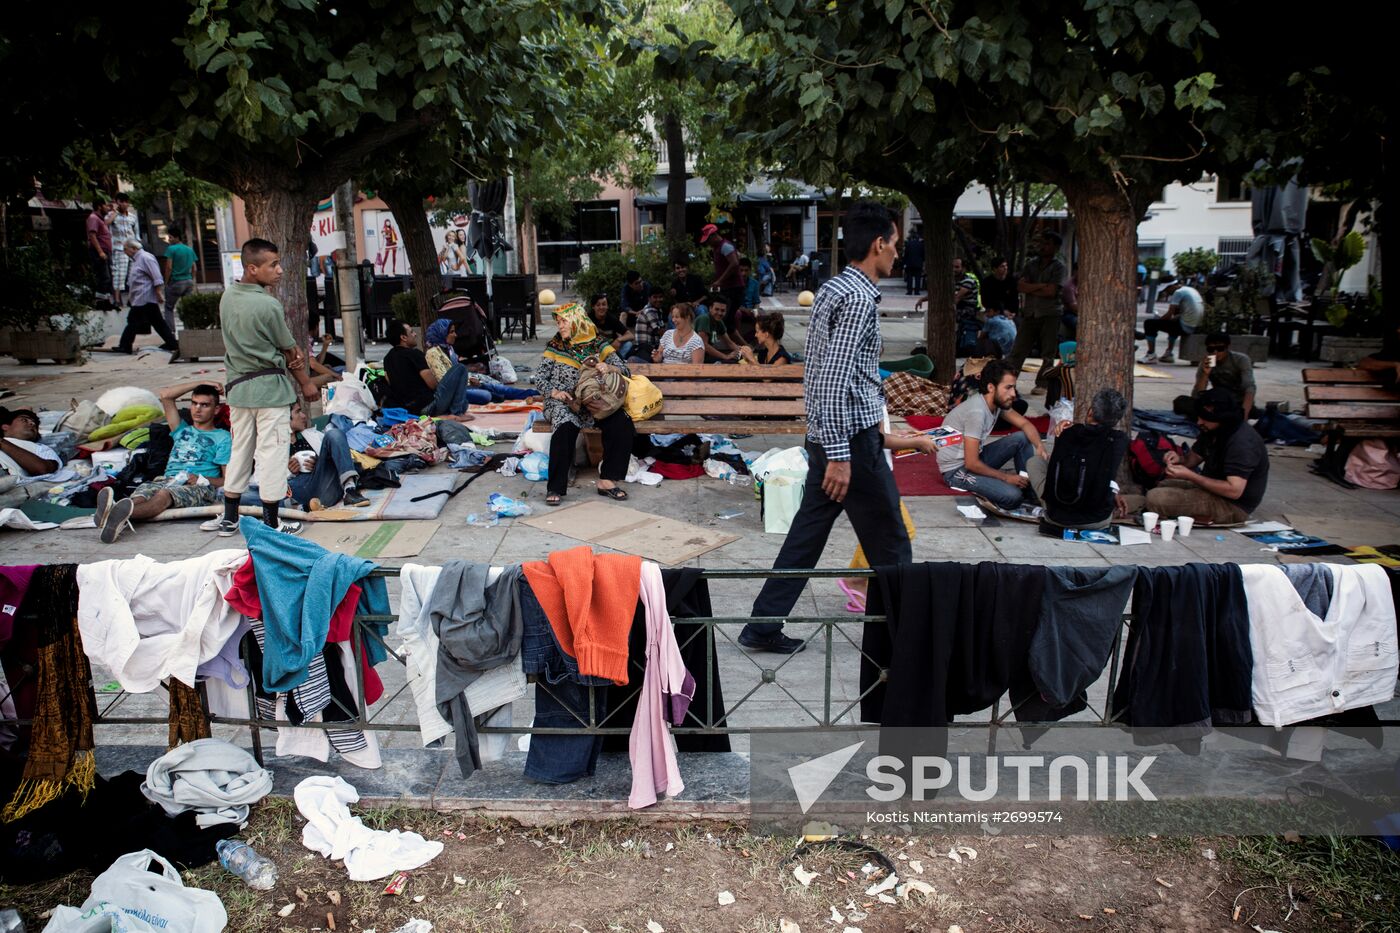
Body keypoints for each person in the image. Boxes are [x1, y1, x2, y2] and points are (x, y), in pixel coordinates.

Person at [742, 201, 910, 654]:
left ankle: (762, 625)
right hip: (850, 444)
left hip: (829, 437)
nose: (898, 252)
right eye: (895, 243)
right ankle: (910, 636)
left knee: (807, 535)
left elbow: (820, 374)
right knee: (892, 543)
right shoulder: (856, 298)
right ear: (879, 245)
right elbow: (833, 377)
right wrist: (839, 454)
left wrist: (824, 441)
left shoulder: (834, 288)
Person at [210, 238, 316, 537]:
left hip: (239, 391)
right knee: (272, 453)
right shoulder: (268, 305)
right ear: (253, 268)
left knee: (240, 450)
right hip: (269, 391)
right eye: (273, 265)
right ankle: (272, 522)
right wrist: (306, 383)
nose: (279, 270)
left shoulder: (228, 297)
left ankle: (230, 517)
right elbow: (290, 351)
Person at [97, 382, 231, 543]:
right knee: (140, 496)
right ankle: (116, 516)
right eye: (194, 403)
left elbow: (228, 480)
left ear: (216, 409)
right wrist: (202, 382)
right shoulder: (181, 429)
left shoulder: (222, 437)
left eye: (205, 405)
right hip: (167, 479)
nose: (197, 409)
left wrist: (202, 479)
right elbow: (166, 396)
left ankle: (110, 514)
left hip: (199, 487)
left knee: (164, 495)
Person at [1122, 387, 1269, 525]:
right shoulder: (1213, 430)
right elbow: (1192, 459)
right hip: (1212, 489)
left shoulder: (1242, 442)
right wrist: (1179, 459)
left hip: (1233, 505)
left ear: (1221, 418)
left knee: (1157, 498)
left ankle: (1150, 507)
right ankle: (1144, 504)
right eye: (1199, 417)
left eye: (1205, 419)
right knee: (1162, 484)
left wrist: (1191, 476)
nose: (1199, 422)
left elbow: (1234, 491)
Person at [536, 302, 635, 507]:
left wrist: (607, 366)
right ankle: (555, 487)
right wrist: (553, 392)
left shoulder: (599, 344)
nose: (560, 326)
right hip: (564, 403)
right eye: (558, 322)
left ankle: (607, 480)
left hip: (594, 403)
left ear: (577, 321)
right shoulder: (555, 345)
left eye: (564, 321)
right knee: (565, 427)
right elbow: (540, 378)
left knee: (622, 424)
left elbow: (625, 370)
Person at [936, 360, 1049, 511]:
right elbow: (971, 463)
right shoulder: (977, 412)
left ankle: (1033, 492)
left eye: (1013, 387)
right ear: (991, 387)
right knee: (1013, 496)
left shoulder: (996, 402)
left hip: (974, 460)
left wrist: (1039, 446)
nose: (1013, 394)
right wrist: (1006, 477)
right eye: (1008, 388)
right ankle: (1019, 491)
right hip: (956, 471)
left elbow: (1025, 424)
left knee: (1022, 438)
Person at [1029, 387, 1130, 532]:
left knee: (1034, 462)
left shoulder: (1065, 432)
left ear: (1090, 412)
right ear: (1115, 421)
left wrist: (1066, 426)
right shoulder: (1119, 440)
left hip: (1056, 517)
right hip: (1096, 521)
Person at [423, 318, 538, 403]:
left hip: (467, 384)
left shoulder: (449, 349)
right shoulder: (433, 353)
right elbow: (445, 380)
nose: (456, 335)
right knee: (485, 396)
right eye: (452, 332)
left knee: (499, 387)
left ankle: (535, 394)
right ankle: (499, 396)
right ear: (442, 334)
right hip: (455, 392)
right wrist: (467, 382)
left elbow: (457, 371)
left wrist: (470, 378)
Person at [382, 320, 477, 420]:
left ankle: (450, 411)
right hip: (428, 407)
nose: (415, 334)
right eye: (411, 332)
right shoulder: (414, 354)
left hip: (409, 409)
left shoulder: (387, 358)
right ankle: (457, 414)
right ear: (403, 337)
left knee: (465, 402)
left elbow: (389, 381)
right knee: (460, 369)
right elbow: (432, 384)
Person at [1010, 232, 1068, 395]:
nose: (1043, 247)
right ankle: (1010, 381)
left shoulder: (1059, 267)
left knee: (1048, 352)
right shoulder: (1031, 265)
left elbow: (1052, 291)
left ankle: (1042, 383)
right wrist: (1041, 286)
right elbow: (1021, 287)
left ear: (1056, 247)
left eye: (1047, 244)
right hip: (1030, 313)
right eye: (1042, 243)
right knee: (1018, 349)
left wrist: (1032, 287)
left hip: (1050, 313)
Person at [285, 402, 369, 510]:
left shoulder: (311, 435)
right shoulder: (271, 446)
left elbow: (340, 459)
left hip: (325, 488)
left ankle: (350, 490)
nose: (303, 416)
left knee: (334, 434)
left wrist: (318, 463)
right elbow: (260, 481)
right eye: (298, 412)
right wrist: (290, 471)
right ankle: (304, 507)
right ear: (285, 417)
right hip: (297, 491)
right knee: (259, 495)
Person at [115, 239, 180, 354]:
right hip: (141, 297)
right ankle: (172, 343)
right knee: (157, 322)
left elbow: (156, 276)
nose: (125, 252)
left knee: (133, 321)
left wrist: (159, 293)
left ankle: (125, 345)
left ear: (133, 248)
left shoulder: (146, 258)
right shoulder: (137, 260)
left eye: (126, 249)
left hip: (144, 297)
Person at [1173, 332, 1255, 418]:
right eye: (1211, 349)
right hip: (1218, 401)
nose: (1215, 352)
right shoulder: (1207, 362)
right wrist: (1205, 374)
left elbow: (1249, 387)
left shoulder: (1240, 360)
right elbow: (1198, 394)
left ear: (1227, 347)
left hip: (1237, 402)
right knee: (1181, 402)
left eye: (1220, 348)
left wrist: (1244, 415)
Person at [1142, 282, 1205, 363]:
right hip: (1194, 325)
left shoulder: (1178, 293)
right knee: (1173, 322)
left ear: (1172, 286)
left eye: (1167, 290)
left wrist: (1159, 320)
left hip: (1185, 326)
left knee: (1149, 323)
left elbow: (1169, 314)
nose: (1167, 293)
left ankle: (1151, 354)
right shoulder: (1190, 289)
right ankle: (1168, 353)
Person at [0, 408, 61, 478]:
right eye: (24, 420)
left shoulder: (40, 448)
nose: (32, 423)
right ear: (5, 427)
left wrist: (2, 443)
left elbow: (43, 469)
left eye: (35, 424)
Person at [161, 225, 198, 333]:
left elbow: (168, 267)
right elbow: (194, 268)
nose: (169, 239)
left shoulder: (171, 249)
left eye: (171, 237)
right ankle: (189, 330)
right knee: (187, 308)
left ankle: (171, 332)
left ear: (177, 237)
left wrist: (166, 282)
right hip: (188, 281)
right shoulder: (189, 249)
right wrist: (192, 280)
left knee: (168, 308)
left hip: (176, 282)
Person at [701, 223, 744, 313]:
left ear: (714, 236)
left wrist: (720, 280)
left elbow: (735, 263)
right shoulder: (716, 248)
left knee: (728, 314)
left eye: (708, 240)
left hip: (733, 287)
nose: (708, 243)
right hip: (727, 287)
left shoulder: (725, 246)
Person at [695, 293, 747, 362]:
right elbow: (705, 345)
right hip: (696, 356)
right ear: (710, 308)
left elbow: (729, 343)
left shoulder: (719, 322)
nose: (719, 313)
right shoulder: (704, 319)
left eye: (722, 310)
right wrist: (725, 356)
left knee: (740, 358)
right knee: (730, 362)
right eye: (717, 309)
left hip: (706, 355)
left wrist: (742, 353)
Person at [109, 194, 139, 306]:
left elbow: (136, 233)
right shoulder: (112, 216)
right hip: (119, 249)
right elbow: (106, 223)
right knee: (119, 274)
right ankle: (117, 299)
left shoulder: (132, 217)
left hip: (132, 249)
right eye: (122, 202)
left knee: (132, 274)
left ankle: (131, 299)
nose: (125, 204)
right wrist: (115, 212)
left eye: (126, 202)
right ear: (117, 202)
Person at [85, 197, 114, 302]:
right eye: (105, 205)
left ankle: (105, 300)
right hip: (99, 252)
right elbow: (92, 235)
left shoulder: (100, 219)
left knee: (107, 277)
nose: (107, 208)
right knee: (103, 277)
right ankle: (100, 301)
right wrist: (100, 252)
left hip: (105, 252)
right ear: (99, 206)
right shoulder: (93, 218)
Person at [628, 287, 668, 362]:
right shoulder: (649, 311)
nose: (658, 300)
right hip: (644, 347)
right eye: (655, 297)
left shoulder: (658, 310)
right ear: (649, 298)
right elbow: (660, 331)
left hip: (651, 347)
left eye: (660, 297)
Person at [953, 257, 982, 355]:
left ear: (963, 268)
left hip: (968, 309)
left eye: (957, 267)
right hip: (960, 308)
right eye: (952, 267)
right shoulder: (952, 280)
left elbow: (957, 298)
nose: (954, 270)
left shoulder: (968, 281)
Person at [903, 229, 925, 295]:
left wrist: (904, 263)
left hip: (909, 263)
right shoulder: (921, 244)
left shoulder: (908, 244)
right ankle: (917, 291)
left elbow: (906, 254)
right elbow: (923, 254)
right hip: (918, 263)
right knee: (917, 278)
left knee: (909, 278)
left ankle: (909, 291)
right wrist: (922, 261)